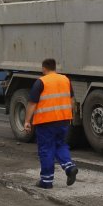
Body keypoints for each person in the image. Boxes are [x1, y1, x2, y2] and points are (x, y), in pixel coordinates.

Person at [23, 58, 78, 189]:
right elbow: (72, 100)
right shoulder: (65, 80)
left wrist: (27, 121)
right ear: (55, 68)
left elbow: (32, 103)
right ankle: (70, 168)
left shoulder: (41, 82)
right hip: (64, 120)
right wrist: (70, 115)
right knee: (60, 145)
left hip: (46, 122)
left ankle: (46, 181)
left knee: (46, 149)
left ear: (44, 68)